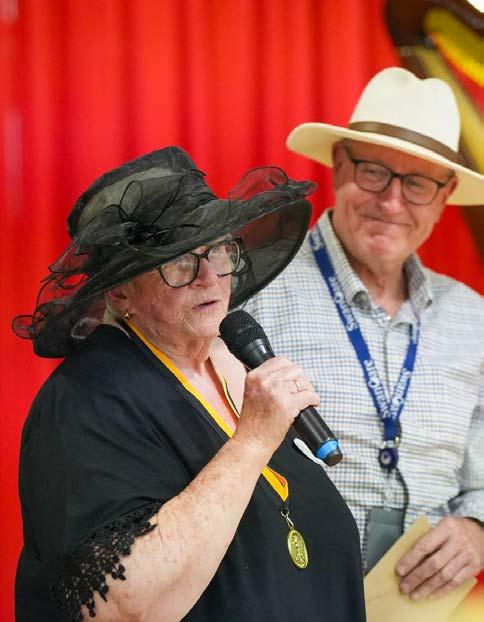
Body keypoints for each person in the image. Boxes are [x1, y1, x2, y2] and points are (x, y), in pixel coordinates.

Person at [13, 146, 366, 622]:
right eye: (179, 261)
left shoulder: (235, 366)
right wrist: (253, 440)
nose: (209, 276)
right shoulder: (83, 401)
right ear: (120, 290)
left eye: (217, 249)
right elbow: (126, 605)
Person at [243, 67, 484, 601]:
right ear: (339, 165)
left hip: (422, 609)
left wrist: (476, 529)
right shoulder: (252, 290)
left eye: (417, 183)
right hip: (278, 600)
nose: (391, 202)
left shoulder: (474, 319)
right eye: (374, 172)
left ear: (445, 196)